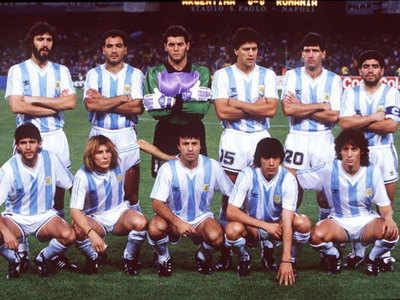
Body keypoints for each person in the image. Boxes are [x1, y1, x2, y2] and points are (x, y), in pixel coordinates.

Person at [5, 21, 77, 271]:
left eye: (48, 39)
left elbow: (70, 103)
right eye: (40, 39)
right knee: (20, 193)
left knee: (59, 196)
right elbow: (16, 106)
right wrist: (54, 104)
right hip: (27, 139)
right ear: (31, 42)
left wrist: (34, 99)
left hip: (56, 137)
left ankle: (53, 252)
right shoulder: (17, 70)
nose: (44, 44)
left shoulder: (62, 70)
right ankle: (20, 251)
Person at [211, 27, 279, 270]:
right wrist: (255, 106)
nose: (251, 54)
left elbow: (271, 110)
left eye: (254, 49)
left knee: (264, 191)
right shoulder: (222, 75)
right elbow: (221, 111)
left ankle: (267, 245)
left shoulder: (268, 75)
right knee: (228, 194)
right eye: (246, 49)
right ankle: (227, 247)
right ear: (235, 51)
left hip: (260, 137)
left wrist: (238, 103)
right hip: (233, 138)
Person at [296, 129, 399, 275]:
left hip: (366, 223)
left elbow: (384, 204)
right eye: (345, 149)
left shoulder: (372, 171)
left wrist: (388, 218)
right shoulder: (328, 169)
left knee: (392, 232)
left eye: (354, 149)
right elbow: (297, 176)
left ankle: (371, 259)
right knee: (315, 237)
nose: (349, 154)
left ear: (361, 151)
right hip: (338, 222)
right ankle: (334, 256)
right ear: (339, 151)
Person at [339, 50, 400, 270]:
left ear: (382, 70)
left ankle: (383, 252)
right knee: (357, 203)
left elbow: (391, 125)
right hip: (358, 153)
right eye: (366, 66)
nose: (370, 70)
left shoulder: (392, 93)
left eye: (375, 66)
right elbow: (344, 124)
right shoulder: (350, 93)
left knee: (386, 204)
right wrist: (374, 118)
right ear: (360, 70)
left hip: (384, 152)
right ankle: (357, 253)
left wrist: (359, 121)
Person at [147, 123, 233, 277]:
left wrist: (228, 219)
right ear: (179, 146)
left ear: (201, 145)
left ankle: (202, 256)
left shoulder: (212, 166)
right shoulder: (167, 168)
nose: (190, 148)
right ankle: (163, 257)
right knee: (155, 227)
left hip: (202, 218)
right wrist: (178, 222)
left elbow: (231, 193)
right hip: (174, 218)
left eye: (194, 144)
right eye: (185, 144)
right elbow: (157, 203)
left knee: (216, 237)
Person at [224, 138, 311, 285]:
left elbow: (288, 221)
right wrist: (265, 226)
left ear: (280, 159)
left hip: (278, 227)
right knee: (232, 229)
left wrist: (285, 260)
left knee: (303, 223)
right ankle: (244, 257)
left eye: (275, 158)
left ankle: (292, 260)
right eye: (266, 158)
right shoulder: (247, 174)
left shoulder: (288, 179)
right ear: (259, 159)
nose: (271, 163)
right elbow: (231, 211)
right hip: (254, 228)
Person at [0, 124, 76, 278]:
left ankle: (43, 257)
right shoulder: (8, 169)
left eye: (32, 142)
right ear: (17, 146)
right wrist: (6, 232)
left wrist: (79, 216)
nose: (28, 147)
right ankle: (14, 259)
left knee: (69, 235)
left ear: (39, 143)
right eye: (23, 143)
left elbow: (72, 186)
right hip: (16, 218)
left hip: (44, 216)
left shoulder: (50, 158)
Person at [281, 32, 342, 216]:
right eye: (307, 50)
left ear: (324, 54)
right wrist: (320, 106)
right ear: (301, 54)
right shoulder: (291, 76)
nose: (310, 54)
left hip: (323, 140)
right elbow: (288, 110)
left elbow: (333, 116)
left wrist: (301, 107)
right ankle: (291, 236)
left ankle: (325, 234)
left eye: (315, 50)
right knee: (293, 190)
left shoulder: (334, 79)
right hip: (297, 138)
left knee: (325, 194)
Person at [83, 29, 144, 213]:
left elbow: (137, 108)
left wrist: (104, 100)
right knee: (95, 190)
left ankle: (135, 237)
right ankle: (92, 234)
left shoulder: (135, 74)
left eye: (118, 46)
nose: (114, 50)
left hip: (126, 135)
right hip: (100, 134)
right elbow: (91, 105)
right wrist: (120, 98)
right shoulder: (93, 74)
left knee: (130, 193)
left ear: (125, 49)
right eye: (110, 46)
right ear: (103, 49)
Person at [70, 135, 147, 275]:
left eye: (108, 151)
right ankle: (93, 257)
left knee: (141, 222)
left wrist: (169, 157)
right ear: (91, 156)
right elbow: (75, 211)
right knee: (78, 229)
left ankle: (129, 258)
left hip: (119, 215)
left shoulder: (118, 163)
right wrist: (91, 233)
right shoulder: (82, 175)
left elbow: (141, 145)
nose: (105, 156)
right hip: (96, 219)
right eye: (99, 152)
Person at [143, 25, 212, 178]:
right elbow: (155, 112)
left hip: (194, 131)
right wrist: (188, 97)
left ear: (187, 46)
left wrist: (168, 100)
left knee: (198, 181)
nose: (176, 48)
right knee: (164, 184)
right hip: (165, 132)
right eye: (171, 45)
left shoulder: (202, 72)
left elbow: (201, 109)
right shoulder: (154, 73)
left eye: (180, 44)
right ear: (165, 47)